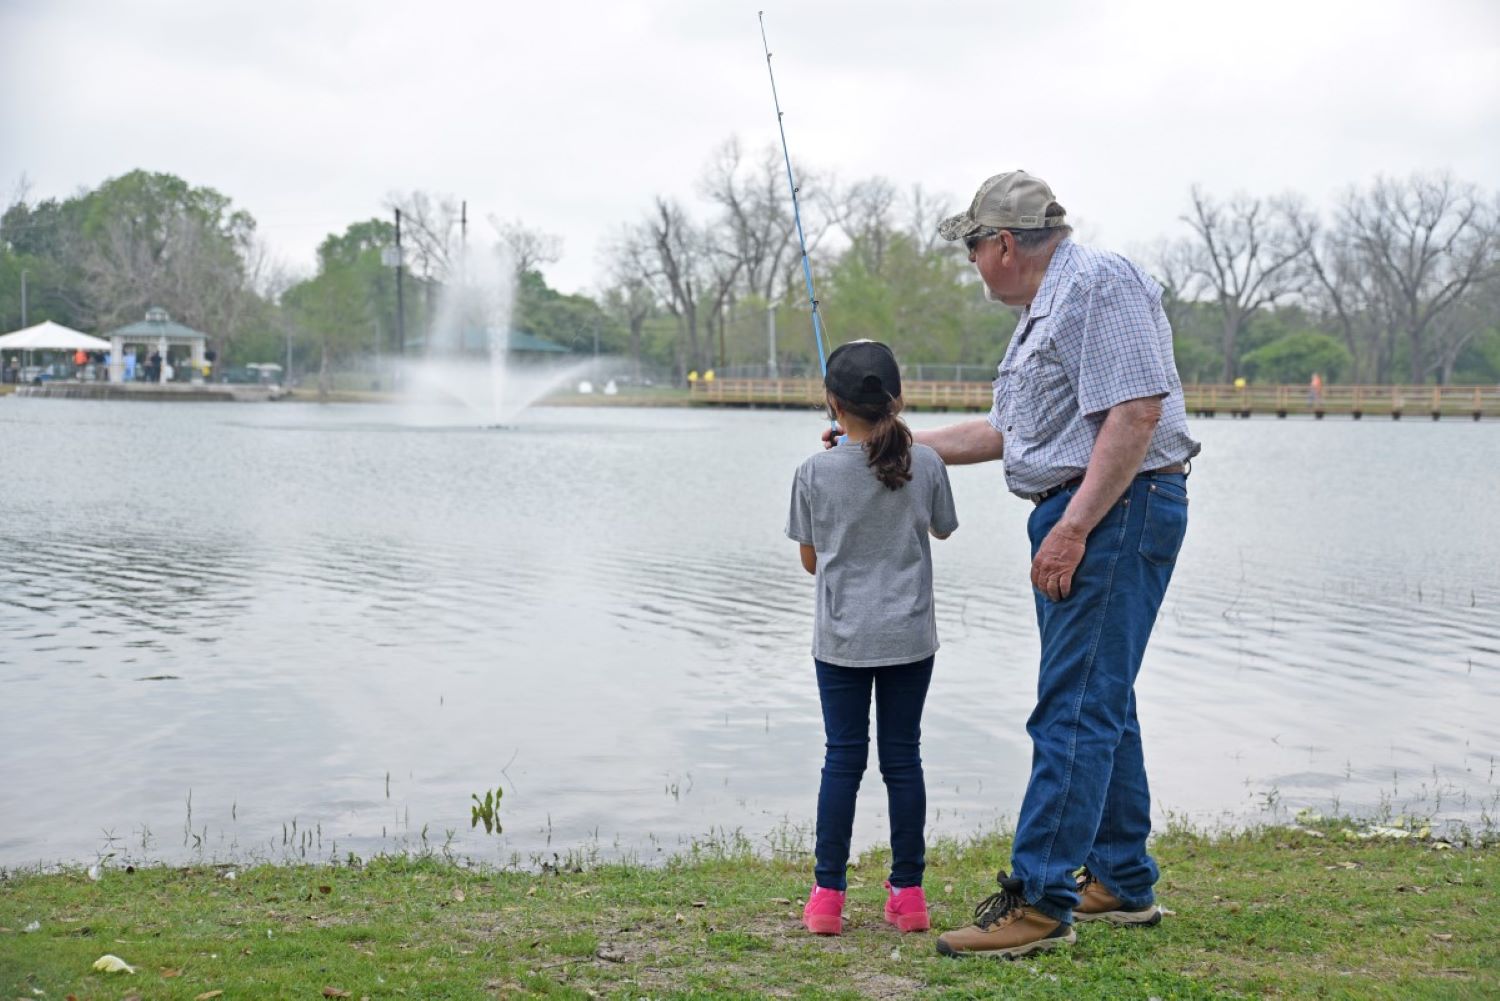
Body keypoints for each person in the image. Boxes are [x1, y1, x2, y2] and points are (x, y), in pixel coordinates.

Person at [826, 172, 1201, 959]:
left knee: (1070, 707)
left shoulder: (1100, 283)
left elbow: (1137, 413)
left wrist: (1073, 528)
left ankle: (1038, 898)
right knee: (1103, 695)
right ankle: (1123, 879)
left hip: (1112, 513)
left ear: (1001, 243)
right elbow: (1007, 432)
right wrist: (889, 442)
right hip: (1089, 511)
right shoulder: (1044, 311)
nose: (970, 262)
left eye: (971, 246)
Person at [788, 339, 959, 937]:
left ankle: (827, 899)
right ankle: (908, 897)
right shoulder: (928, 463)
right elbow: (940, 529)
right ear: (899, 398)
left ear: (832, 404)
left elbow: (814, 562)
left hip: (840, 640)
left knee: (843, 758)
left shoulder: (812, 472)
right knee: (902, 759)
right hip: (910, 636)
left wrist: (843, 462)